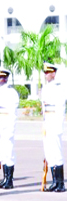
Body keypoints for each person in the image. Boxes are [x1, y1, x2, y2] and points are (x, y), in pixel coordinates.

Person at [41, 62, 66, 192]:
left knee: (57, 152)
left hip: (55, 122)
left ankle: (61, 183)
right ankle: (54, 181)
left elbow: (61, 108)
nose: (46, 75)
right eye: (45, 73)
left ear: (53, 73)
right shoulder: (45, 88)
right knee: (49, 152)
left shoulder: (59, 87)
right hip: (47, 122)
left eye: (48, 72)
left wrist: (58, 125)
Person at [0, 67, 19, 189]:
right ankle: (4, 178)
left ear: (7, 78)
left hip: (7, 124)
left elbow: (13, 112)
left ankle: (9, 180)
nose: (1, 79)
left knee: (9, 152)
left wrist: (10, 127)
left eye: (3, 77)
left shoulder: (11, 92)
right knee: (2, 152)